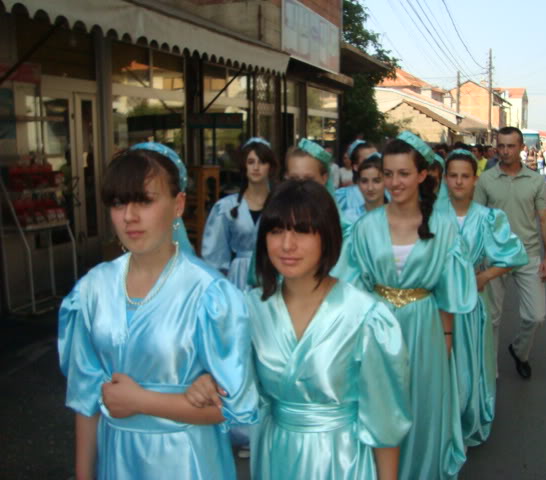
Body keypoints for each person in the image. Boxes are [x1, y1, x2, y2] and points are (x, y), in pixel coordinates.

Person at [187, 179, 412, 479]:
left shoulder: (364, 316)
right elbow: (235, 385)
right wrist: (206, 381)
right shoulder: (251, 308)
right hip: (275, 456)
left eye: (303, 231)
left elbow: (385, 423)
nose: (287, 245)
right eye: (276, 230)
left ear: (328, 236)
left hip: (341, 461)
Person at [58, 143, 258, 479]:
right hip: (117, 460)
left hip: (188, 462)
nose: (129, 216)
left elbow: (234, 406)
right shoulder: (92, 290)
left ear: (178, 204)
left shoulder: (210, 294)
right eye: (119, 202)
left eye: (145, 201)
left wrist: (140, 401)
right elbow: (85, 399)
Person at [349, 131, 478, 480]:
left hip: (425, 327)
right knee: (377, 405)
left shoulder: (444, 226)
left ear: (422, 175)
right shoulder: (364, 227)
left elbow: (449, 290)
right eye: (388, 173)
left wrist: (447, 335)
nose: (394, 182)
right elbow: (352, 286)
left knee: (421, 405)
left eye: (403, 173)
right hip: (375, 327)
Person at [444, 149, 528, 446]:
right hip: (435, 305)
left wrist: (484, 276)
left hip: (469, 304)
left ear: (475, 180)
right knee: (440, 365)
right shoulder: (429, 215)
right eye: (452, 175)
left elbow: (514, 254)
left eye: (465, 176)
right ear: (444, 178)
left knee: (468, 365)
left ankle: (466, 418)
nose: (458, 181)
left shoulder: (489, 217)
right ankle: (439, 423)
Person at [474, 126, 546, 380]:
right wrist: (476, 262)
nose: (506, 150)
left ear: (521, 148)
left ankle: (520, 352)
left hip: (527, 254)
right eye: (502, 145)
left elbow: (544, 219)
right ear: (496, 148)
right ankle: (490, 369)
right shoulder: (486, 181)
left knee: (536, 315)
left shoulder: (534, 180)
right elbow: (476, 221)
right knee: (492, 319)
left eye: (511, 146)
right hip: (494, 257)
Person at [202, 137, 277, 291]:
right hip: (238, 281)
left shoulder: (280, 205)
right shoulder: (225, 207)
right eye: (251, 162)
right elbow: (214, 257)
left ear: (270, 167)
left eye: (262, 162)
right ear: (244, 166)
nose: (256, 167)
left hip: (273, 276)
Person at [335, 140, 378, 214]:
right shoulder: (343, 197)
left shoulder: (390, 193)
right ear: (356, 166)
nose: (373, 164)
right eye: (367, 161)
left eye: (376, 159)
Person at [342, 153, 386, 224]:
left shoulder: (397, 217)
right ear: (358, 183)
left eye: (376, 181)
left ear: (386, 182)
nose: (370, 188)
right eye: (364, 181)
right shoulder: (348, 218)